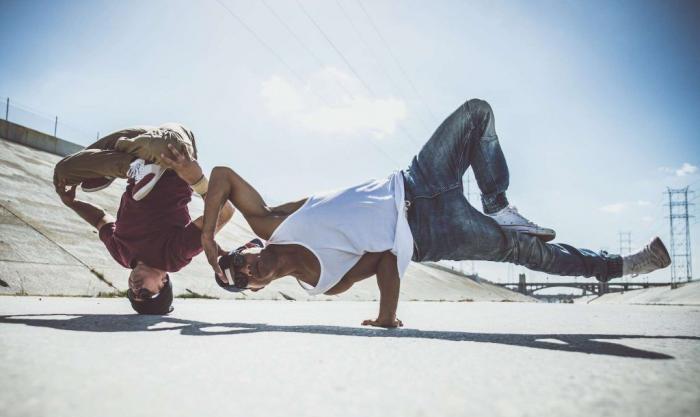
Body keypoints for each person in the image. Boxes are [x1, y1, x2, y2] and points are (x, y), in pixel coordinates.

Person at [201, 99, 670, 327]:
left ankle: (498, 204)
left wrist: (208, 242)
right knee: (525, 253)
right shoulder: (325, 283)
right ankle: (619, 266)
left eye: (236, 261)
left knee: (476, 113)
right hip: (430, 233)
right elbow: (385, 260)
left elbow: (221, 174)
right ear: (256, 286)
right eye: (240, 278)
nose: (244, 268)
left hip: (415, 180)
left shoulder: (271, 223)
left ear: (245, 247)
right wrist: (387, 315)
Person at [53, 124, 233, 314]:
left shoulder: (121, 254)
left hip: (135, 150)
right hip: (173, 160)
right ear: (164, 282)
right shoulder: (173, 256)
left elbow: (100, 220)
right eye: (146, 294)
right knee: (168, 147)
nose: (135, 290)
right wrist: (196, 178)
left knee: (63, 172)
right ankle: (120, 164)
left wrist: (72, 203)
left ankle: (128, 167)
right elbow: (225, 212)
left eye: (132, 295)